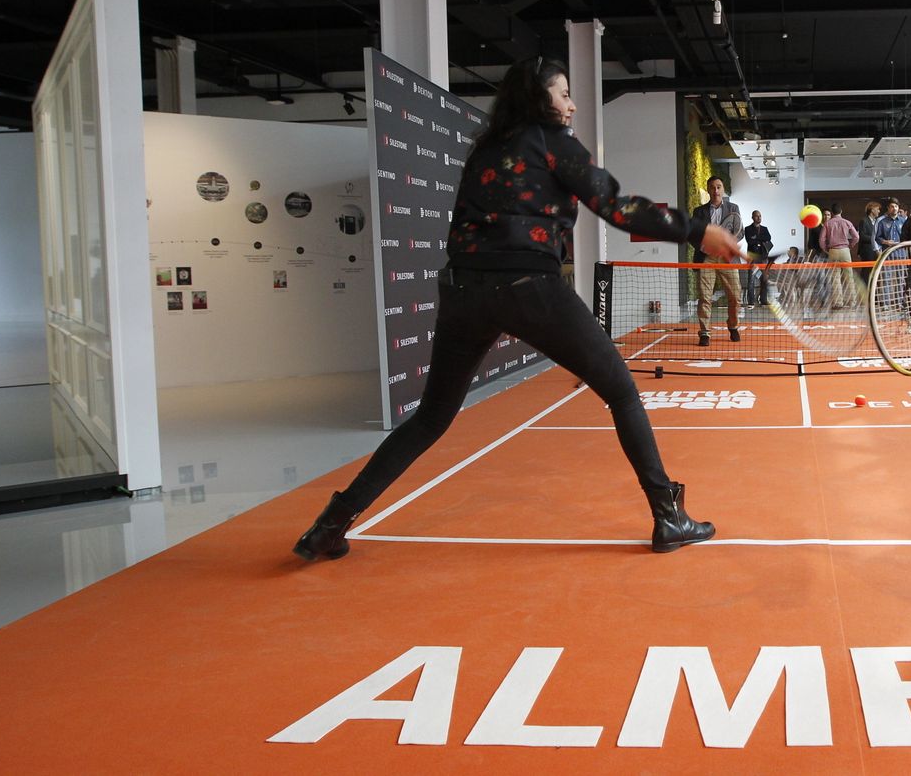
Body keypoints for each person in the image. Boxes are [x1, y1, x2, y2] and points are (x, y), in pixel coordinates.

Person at [293, 58, 739, 562]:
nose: (571, 104)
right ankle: (669, 517)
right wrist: (698, 231)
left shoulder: (485, 150)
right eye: (563, 93)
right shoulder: (554, 144)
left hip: (463, 291)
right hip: (529, 286)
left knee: (431, 419)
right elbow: (616, 206)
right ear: (538, 98)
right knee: (621, 391)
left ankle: (330, 523)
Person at [690, 175, 743, 346]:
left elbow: (739, 232)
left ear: (723, 189)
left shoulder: (733, 208)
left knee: (735, 297)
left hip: (727, 258)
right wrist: (704, 247)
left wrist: (729, 245)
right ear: (708, 190)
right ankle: (705, 332)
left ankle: (733, 327)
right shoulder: (699, 212)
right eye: (712, 187)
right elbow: (692, 234)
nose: (716, 190)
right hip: (706, 258)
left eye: (718, 187)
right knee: (705, 297)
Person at [817, 201, 859, 306]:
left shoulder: (827, 223)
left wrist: (826, 249)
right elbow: (856, 237)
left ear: (832, 212)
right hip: (845, 250)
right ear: (841, 211)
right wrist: (850, 245)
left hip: (833, 251)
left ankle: (838, 302)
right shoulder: (847, 222)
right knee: (849, 277)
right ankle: (852, 301)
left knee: (835, 278)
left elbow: (821, 240)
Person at [742, 209, 773, 307]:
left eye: (760, 216)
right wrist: (760, 240)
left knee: (764, 279)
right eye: (756, 216)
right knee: (751, 279)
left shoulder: (765, 229)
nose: (759, 218)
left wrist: (756, 239)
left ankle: (763, 300)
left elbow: (768, 238)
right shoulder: (747, 229)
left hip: (763, 257)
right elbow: (750, 241)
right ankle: (751, 301)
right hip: (753, 258)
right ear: (752, 217)